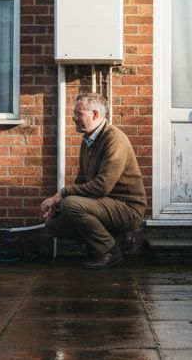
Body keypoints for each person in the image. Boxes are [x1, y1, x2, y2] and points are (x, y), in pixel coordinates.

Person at [41, 91, 146, 269]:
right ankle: (108, 241)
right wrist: (59, 203)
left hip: (127, 208)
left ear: (95, 114)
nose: (73, 118)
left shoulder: (114, 139)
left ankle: (110, 251)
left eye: (78, 114)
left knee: (71, 204)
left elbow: (102, 186)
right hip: (104, 205)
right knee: (54, 224)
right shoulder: (89, 139)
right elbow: (82, 181)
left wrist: (63, 194)